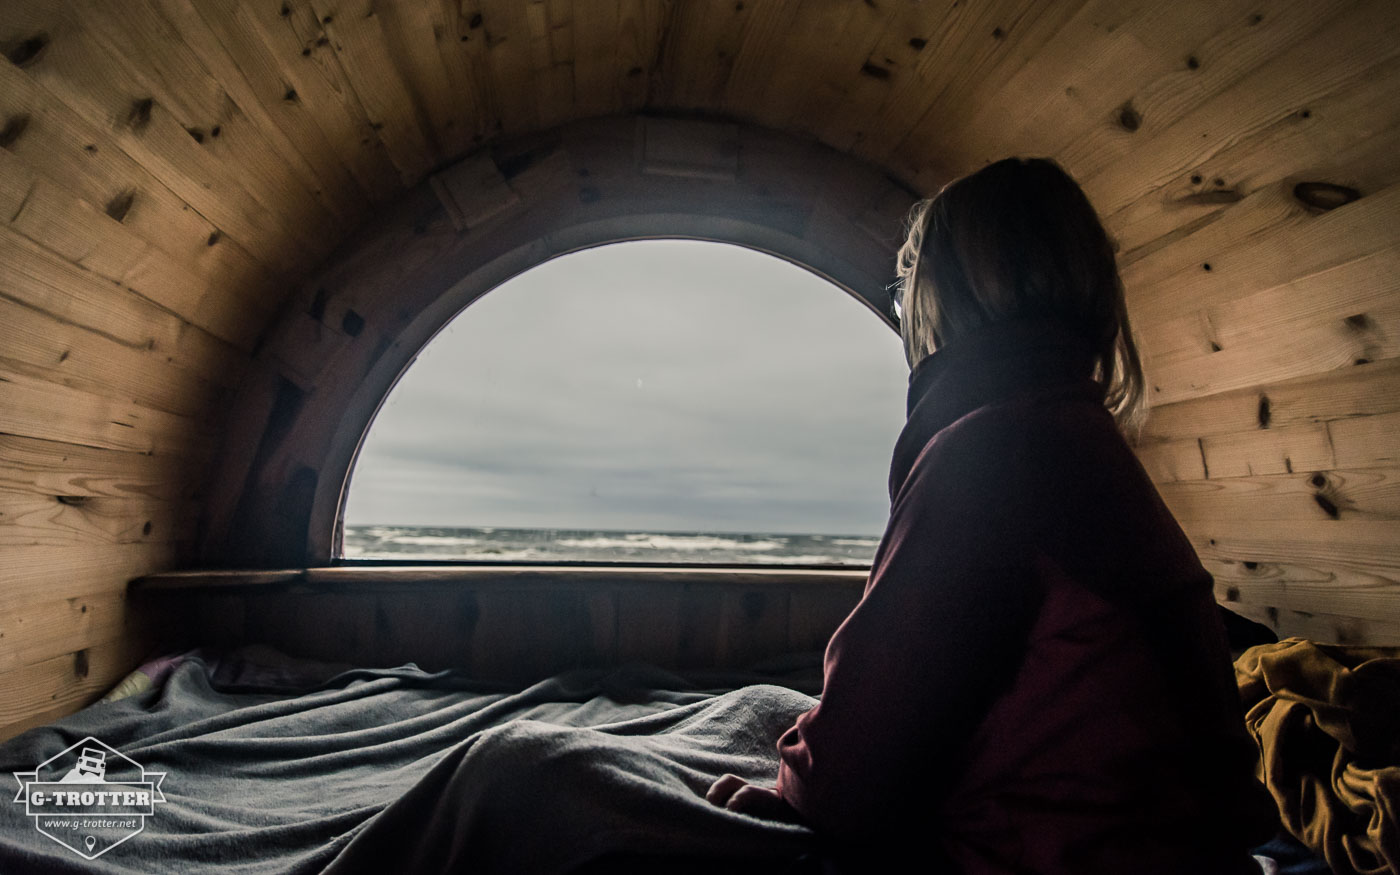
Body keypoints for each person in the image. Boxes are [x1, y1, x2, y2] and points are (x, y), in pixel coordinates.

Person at [705, 157, 1278, 873]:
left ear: (939, 296)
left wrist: (796, 790)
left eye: (906, 292)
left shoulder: (994, 451)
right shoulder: (1075, 435)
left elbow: (852, 768)